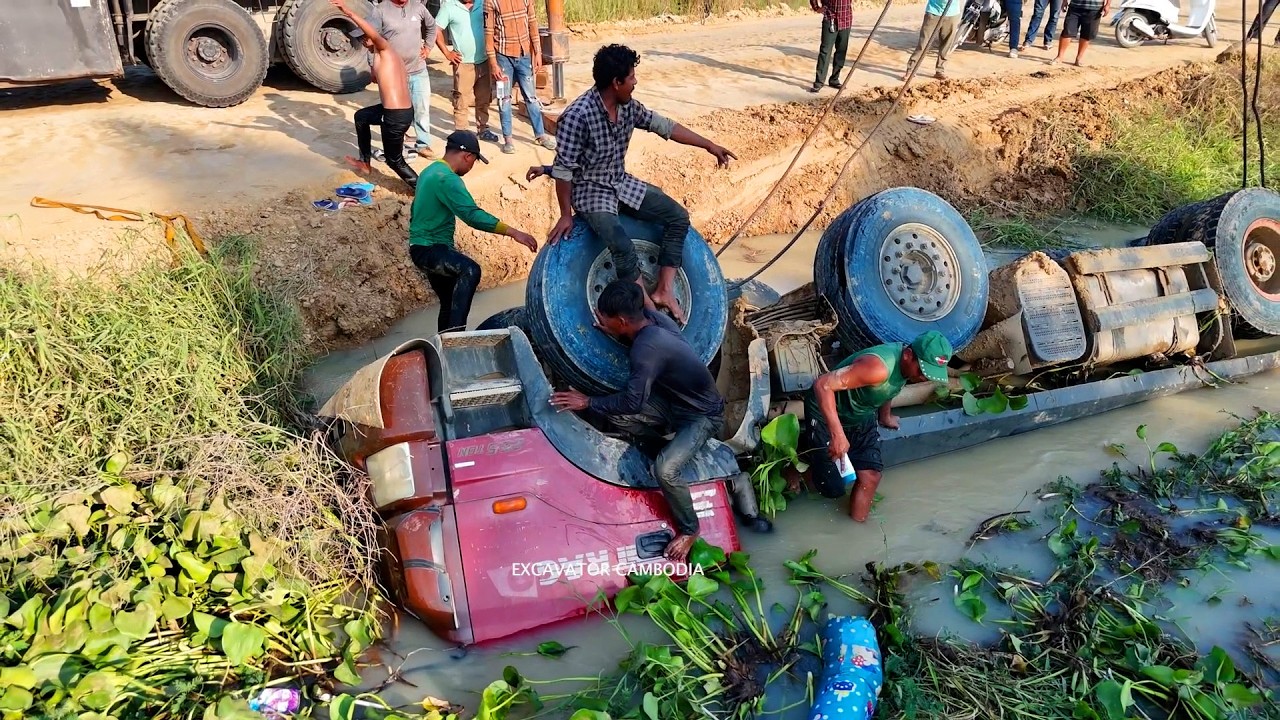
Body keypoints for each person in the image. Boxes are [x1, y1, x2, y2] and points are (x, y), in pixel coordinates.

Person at [546, 44, 736, 325]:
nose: (635, 82)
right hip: (591, 191)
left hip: (621, 183)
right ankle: (645, 307)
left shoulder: (628, 108)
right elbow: (564, 170)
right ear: (616, 82)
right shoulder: (578, 116)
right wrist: (565, 214)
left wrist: (709, 145)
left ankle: (664, 291)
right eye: (632, 77)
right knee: (622, 245)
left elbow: (666, 127)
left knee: (678, 217)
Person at [548, 280, 726, 564]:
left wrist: (587, 402)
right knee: (616, 413)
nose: (601, 323)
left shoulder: (646, 349)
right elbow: (638, 295)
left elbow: (634, 402)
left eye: (605, 320)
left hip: (704, 416)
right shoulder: (654, 319)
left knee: (665, 470)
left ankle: (691, 529)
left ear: (621, 321)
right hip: (675, 402)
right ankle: (658, 444)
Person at [800, 332, 953, 522]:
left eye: (928, 373)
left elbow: (890, 388)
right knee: (832, 489)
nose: (923, 378)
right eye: (922, 371)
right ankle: (803, 455)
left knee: (871, 477)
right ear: (907, 355)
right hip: (826, 413)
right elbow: (823, 385)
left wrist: (885, 416)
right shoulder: (878, 368)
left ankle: (856, 531)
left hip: (861, 414)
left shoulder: (907, 369)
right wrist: (837, 434)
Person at [409, 130, 538, 333]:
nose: (470, 167)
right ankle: (458, 340)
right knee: (470, 270)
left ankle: (445, 344)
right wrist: (514, 232)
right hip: (430, 248)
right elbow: (472, 216)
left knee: (450, 301)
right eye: (473, 162)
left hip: (421, 246)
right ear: (467, 156)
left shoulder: (429, 171)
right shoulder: (447, 179)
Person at [333, 0, 419, 189]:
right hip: (399, 112)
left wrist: (349, 13)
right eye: (360, 38)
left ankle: (422, 190)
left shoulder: (385, 48)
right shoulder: (386, 55)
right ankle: (365, 162)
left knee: (394, 160)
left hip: (395, 117)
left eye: (365, 36)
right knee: (361, 117)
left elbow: (373, 35)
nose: (363, 40)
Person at [483, 0, 557, 154]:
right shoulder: (491, 2)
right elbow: (488, 34)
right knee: (504, 98)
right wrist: (493, 63)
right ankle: (508, 139)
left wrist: (537, 52)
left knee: (531, 97)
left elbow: (532, 22)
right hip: (503, 56)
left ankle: (540, 135)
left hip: (524, 54)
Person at [369, 0, 438, 159]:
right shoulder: (380, 10)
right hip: (393, 73)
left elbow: (432, 26)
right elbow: (371, 38)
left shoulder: (418, 7)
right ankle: (397, 145)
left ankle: (423, 144)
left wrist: (428, 47)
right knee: (395, 112)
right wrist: (372, 65)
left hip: (418, 68)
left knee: (421, 108)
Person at [435, 0, 500, 143]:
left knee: (484, 98)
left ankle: (483, 129)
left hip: (484, 60)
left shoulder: (483, 3)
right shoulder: (449, 6)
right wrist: (447, 53)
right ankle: (461, 133)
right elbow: (436, 29)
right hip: (463, 63)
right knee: (461, 100)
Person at [903, 0, 963, 80]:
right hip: (934, 12)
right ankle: (911, 69)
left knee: (946, 44)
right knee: (924, 43)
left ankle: (940, 70)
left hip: (952, 14)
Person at [809, 0, 853, 93]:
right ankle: (819, 82)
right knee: (825, 51)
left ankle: (834, 79)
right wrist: (816, 7)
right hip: (830, 18)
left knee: (841, 50)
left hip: (845, 19)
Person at [1050, 0, 1109, 66]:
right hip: (1075, 7)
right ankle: (1059, 57)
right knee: (1067, 31)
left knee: (1087, 34)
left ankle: (1079, 58)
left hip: (1095, 9)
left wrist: (1108, 4)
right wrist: (1064, 1)